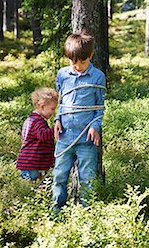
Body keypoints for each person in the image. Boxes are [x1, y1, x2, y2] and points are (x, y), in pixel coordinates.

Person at [52, 33, 106, 210]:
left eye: (82, 62)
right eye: (73, 62)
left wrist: (95, 126)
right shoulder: (62, 75)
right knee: (59, 175)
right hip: (65, 136)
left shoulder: (98, 77)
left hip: (86, 139)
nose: (77, 66)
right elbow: (60, 100)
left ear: (90, 56)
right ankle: (56, 209)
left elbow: (99, 107)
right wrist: (57, 119)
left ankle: (86, 213)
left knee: (88, 178)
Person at [16, 87, 58, 181]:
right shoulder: (36, 121)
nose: (54, 112)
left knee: (38, 186)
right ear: (42, 106)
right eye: (52, 109)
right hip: (31, 163)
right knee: (32, 185)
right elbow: (43, 135)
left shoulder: (33, 120)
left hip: (33, 163)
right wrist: (56, 129)